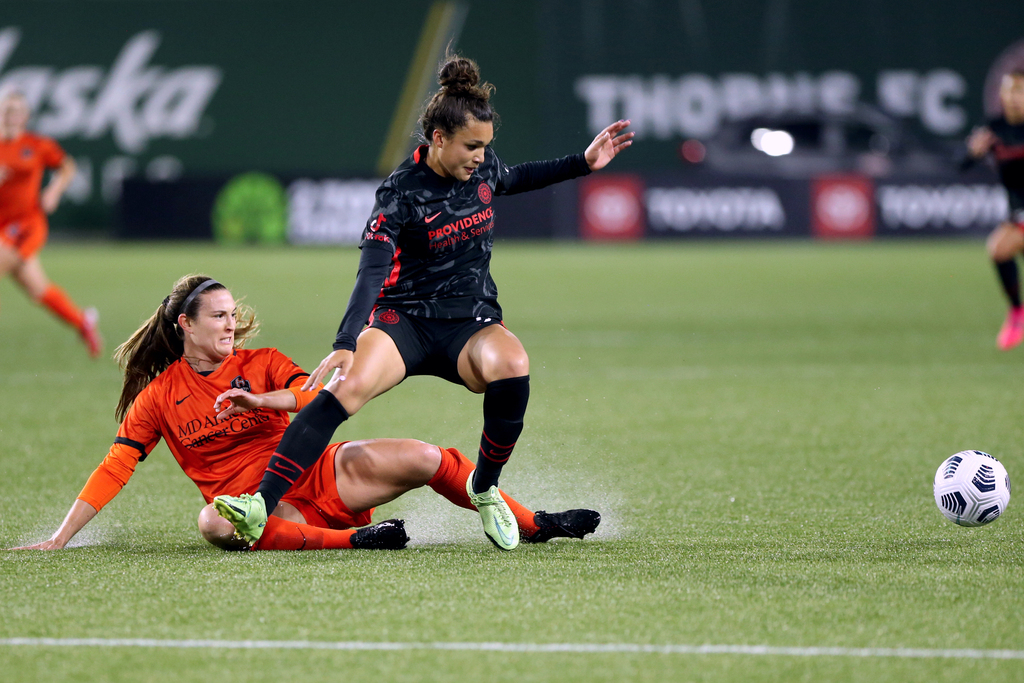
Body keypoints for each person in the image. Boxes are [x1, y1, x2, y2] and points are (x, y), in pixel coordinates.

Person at [214, 53, 631, 551]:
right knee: (344, 391)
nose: (481, 156)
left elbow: (516, 177)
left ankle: (484, 487)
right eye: (471, 146)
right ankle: (259, 504)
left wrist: (583, 163)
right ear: (438, 139)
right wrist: (346, 341)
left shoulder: (482, 168)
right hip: (403, 323)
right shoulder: (399, 193)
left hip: (468, 323)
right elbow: (371, 270)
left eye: (485, 147)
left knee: (513, 362)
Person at [10, 275, 600, 552]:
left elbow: (314, 396)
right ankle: (357, 542)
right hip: (265, 508)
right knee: (213, 523)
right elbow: (116, 466)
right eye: (216, 316)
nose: (229, 324)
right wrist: (60, 539)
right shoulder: (158, 397)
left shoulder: (261, 361)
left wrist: (259, 399)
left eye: (231, 314)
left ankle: (535, 524)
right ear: (183, 325)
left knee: (427, 456)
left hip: (324, 472)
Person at [0, 89, 101, 357]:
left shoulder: (36, 144)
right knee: (37, 289)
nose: (12, 116)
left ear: (26, 116)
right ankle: (83, 322)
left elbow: (67, 166)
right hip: (2, 228)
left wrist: (53, 191)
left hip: (26, 224)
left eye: (17, 111)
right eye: (7, 111)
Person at [965, 70, 1024, 350]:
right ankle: (1017, 312)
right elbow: (961, 163)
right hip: (1018, 215)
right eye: (1009, 91)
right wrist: (971, 153)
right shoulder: (994, 130)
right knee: (999, 250)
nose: (1013, 98)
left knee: (1000, 248)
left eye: (1020, 91)